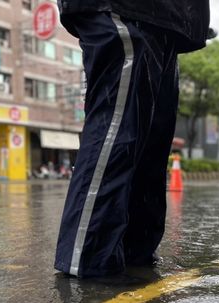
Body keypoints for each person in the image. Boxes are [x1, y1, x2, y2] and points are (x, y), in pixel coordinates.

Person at [54, 0, 210, 278]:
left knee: (151, 151)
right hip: (121, 8)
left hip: (170, 22)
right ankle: (89, 267)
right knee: (117, 136)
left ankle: (132, 258)